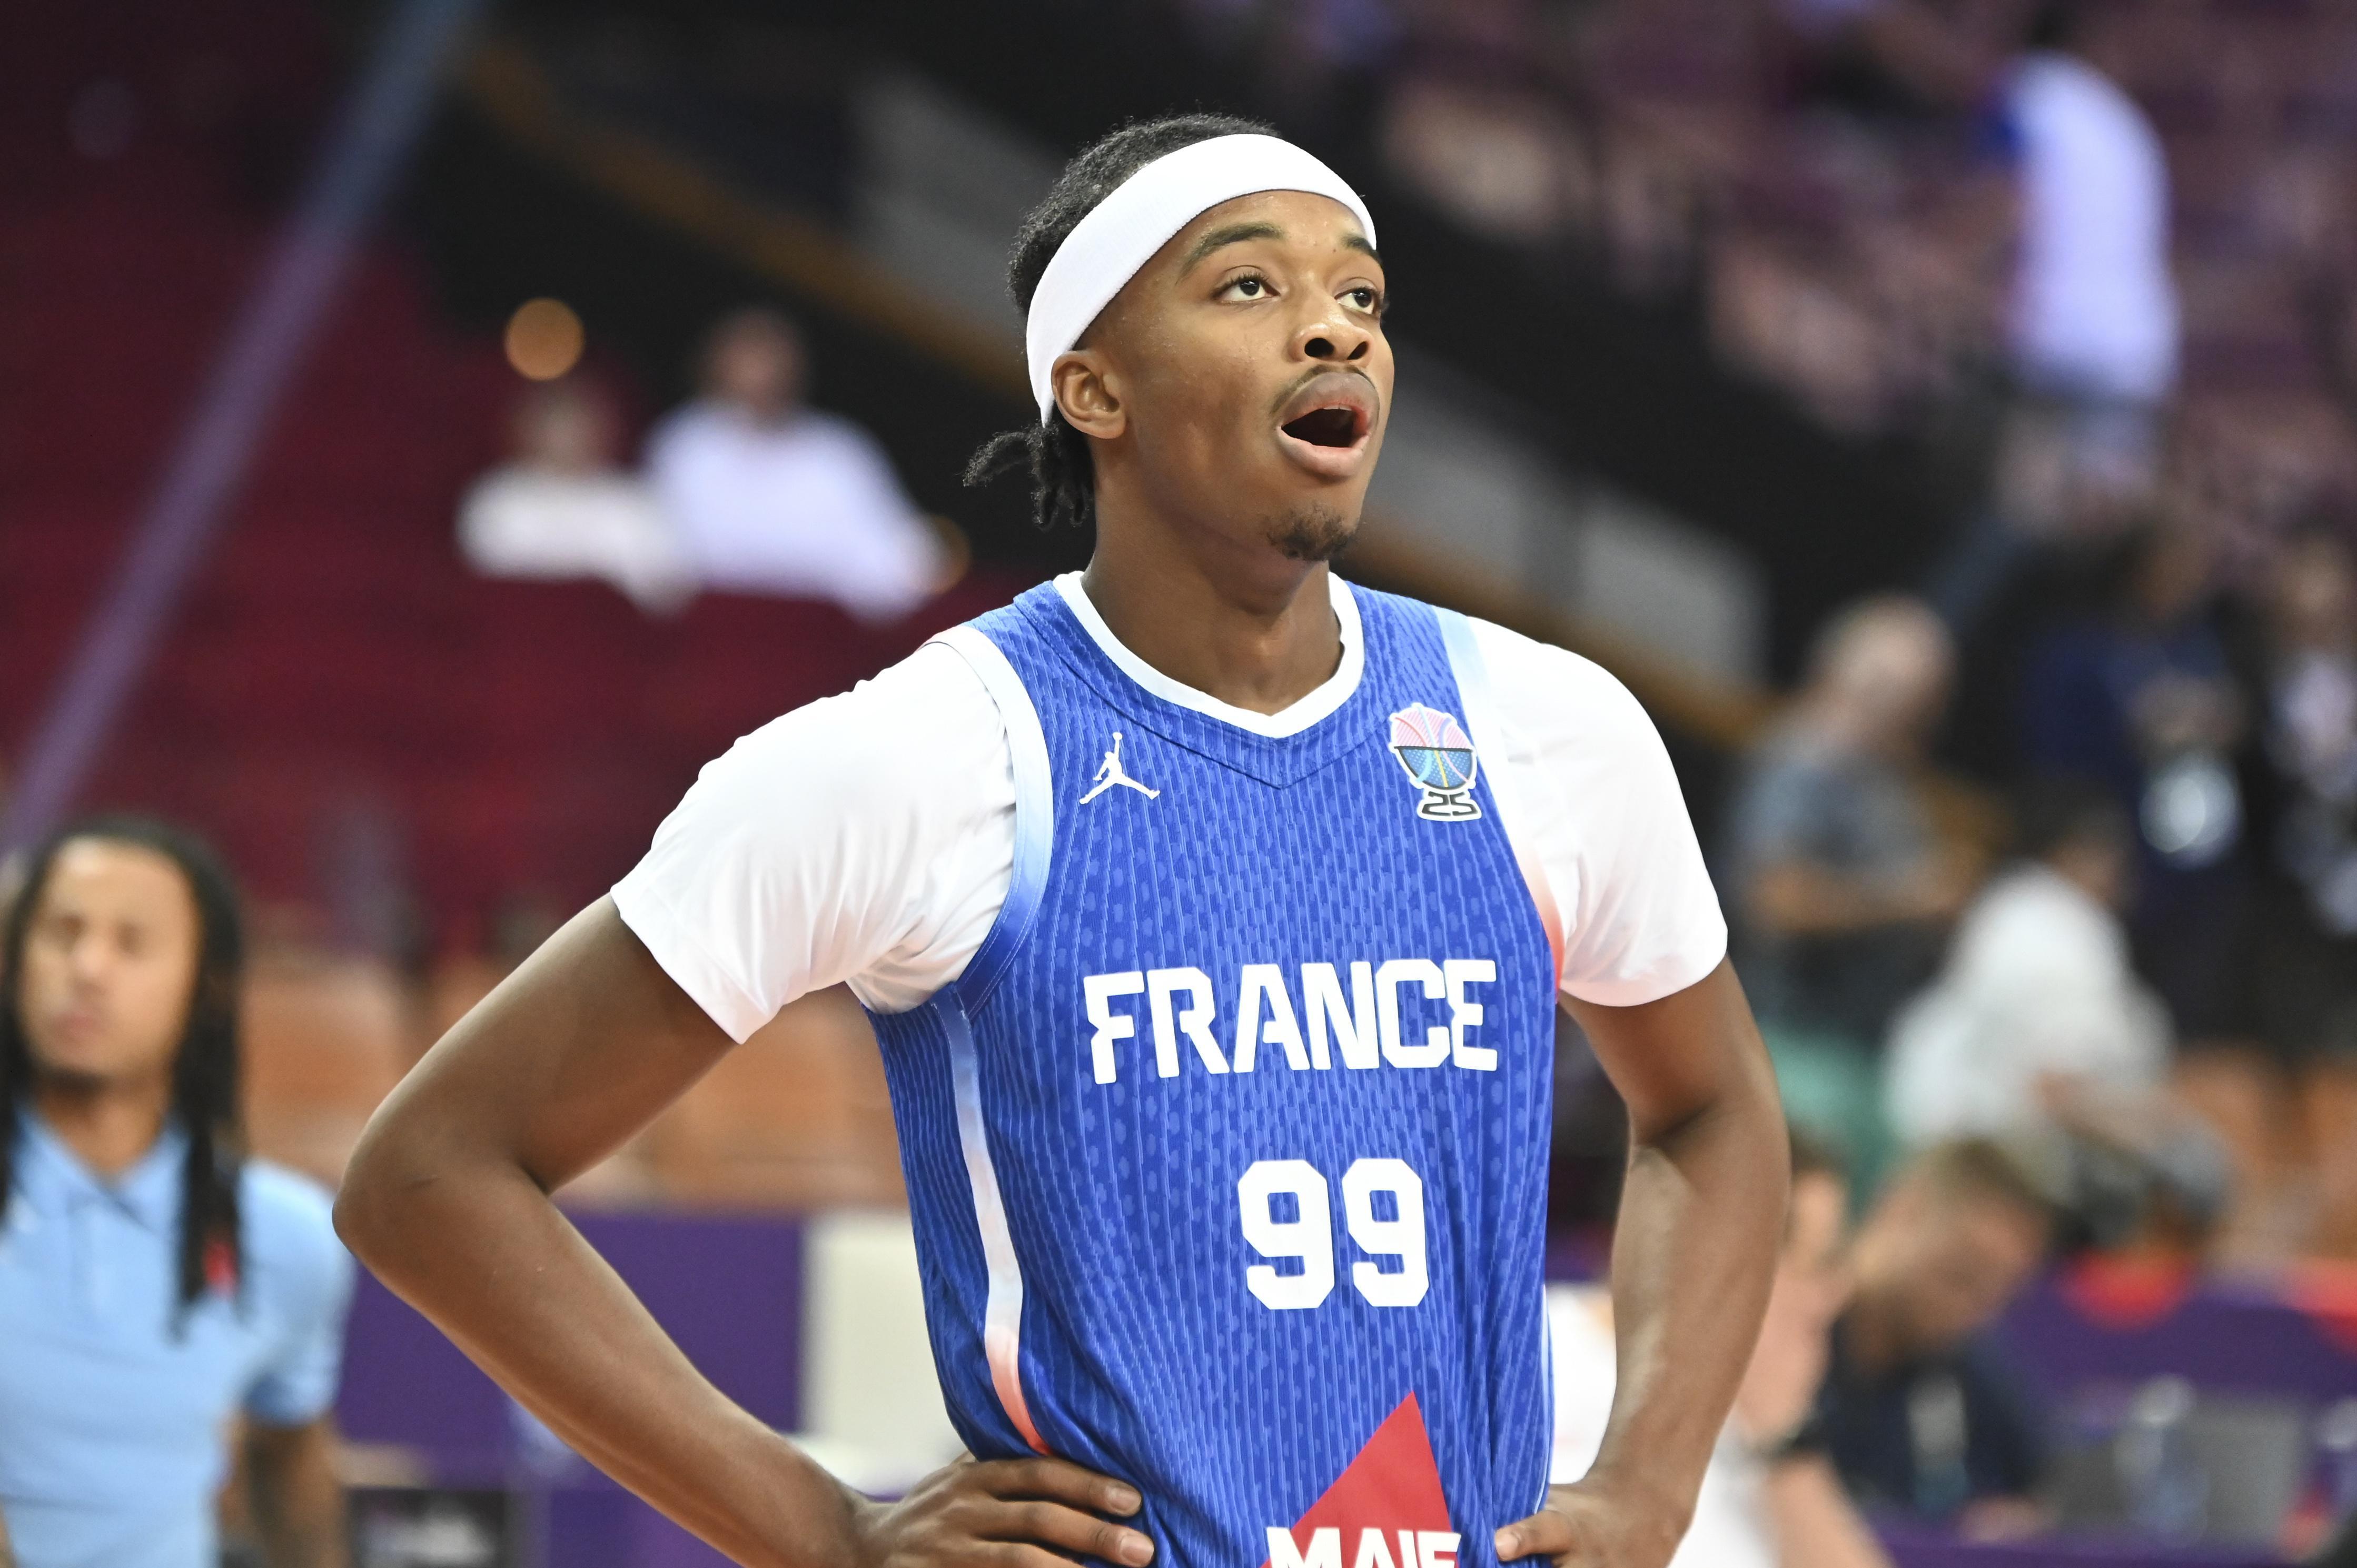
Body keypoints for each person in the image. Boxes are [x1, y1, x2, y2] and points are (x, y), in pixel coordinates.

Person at [336, 115, 1790, 1568]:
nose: (1335, 330)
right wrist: (823, 1528)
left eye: (1359, 295)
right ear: (1093, 388)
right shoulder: (926, 754)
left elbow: (1714, 1110)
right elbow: (430, 1172)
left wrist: (1651, 1482)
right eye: (1249, 286)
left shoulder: (1545, 727)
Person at [0, 817, 353, 1568]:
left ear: (208, 985)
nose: (87, 967)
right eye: (62, 933)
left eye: (131, 942)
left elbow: (292, 1473)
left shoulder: (283, 1235)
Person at [1549, 1134, 1893, 1568]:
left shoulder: (1765, 1417)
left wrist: (1782, 1436)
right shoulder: (1535, 1356)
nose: (1833, 1294)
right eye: (1818, 1264)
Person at [1726, 595, 1974, 1182]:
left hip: (1862, 1052)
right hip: (1791, 1041)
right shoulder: (1805, 761)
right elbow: (1775, 899)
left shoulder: (1886, 778)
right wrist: (1910, 898)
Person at [646, 306, 948, 622]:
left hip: (815, 634)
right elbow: (666, 559)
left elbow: (898, 566)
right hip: (711, 628)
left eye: (772, 362)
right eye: (750, 360)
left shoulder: (839, 452)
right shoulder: (686, 442)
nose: (762, 377)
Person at [1819, 1139, 2056, 1536]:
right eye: (1960, 1274)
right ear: (1902, 1209)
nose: (1974, 1311)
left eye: (1998, 1292)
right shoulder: (1780, 1341)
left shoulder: (1974, 1376)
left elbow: (2044, 1499)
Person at [458, 376, 694, 615]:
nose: (570, 437)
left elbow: (666, 588)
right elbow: (493, 586)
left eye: (580, 425)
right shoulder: (497, 499)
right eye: (557, 426)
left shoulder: (634, 499)